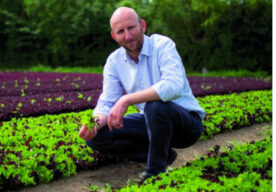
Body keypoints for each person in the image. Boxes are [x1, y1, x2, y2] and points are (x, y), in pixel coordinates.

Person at [78, 7, 205, 180]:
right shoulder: (114, 61)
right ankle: (162, 155)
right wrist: (93, 123)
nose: (128, 35)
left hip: (185, 125)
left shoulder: (162, 45)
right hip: (152, 124)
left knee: (155, 105)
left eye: (131, 28)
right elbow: (107, 102)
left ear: (142, 25)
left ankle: (154, 172)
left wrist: (127, 100)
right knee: (97, 137)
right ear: (114, 36)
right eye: (121, 31)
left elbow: (173, 85)